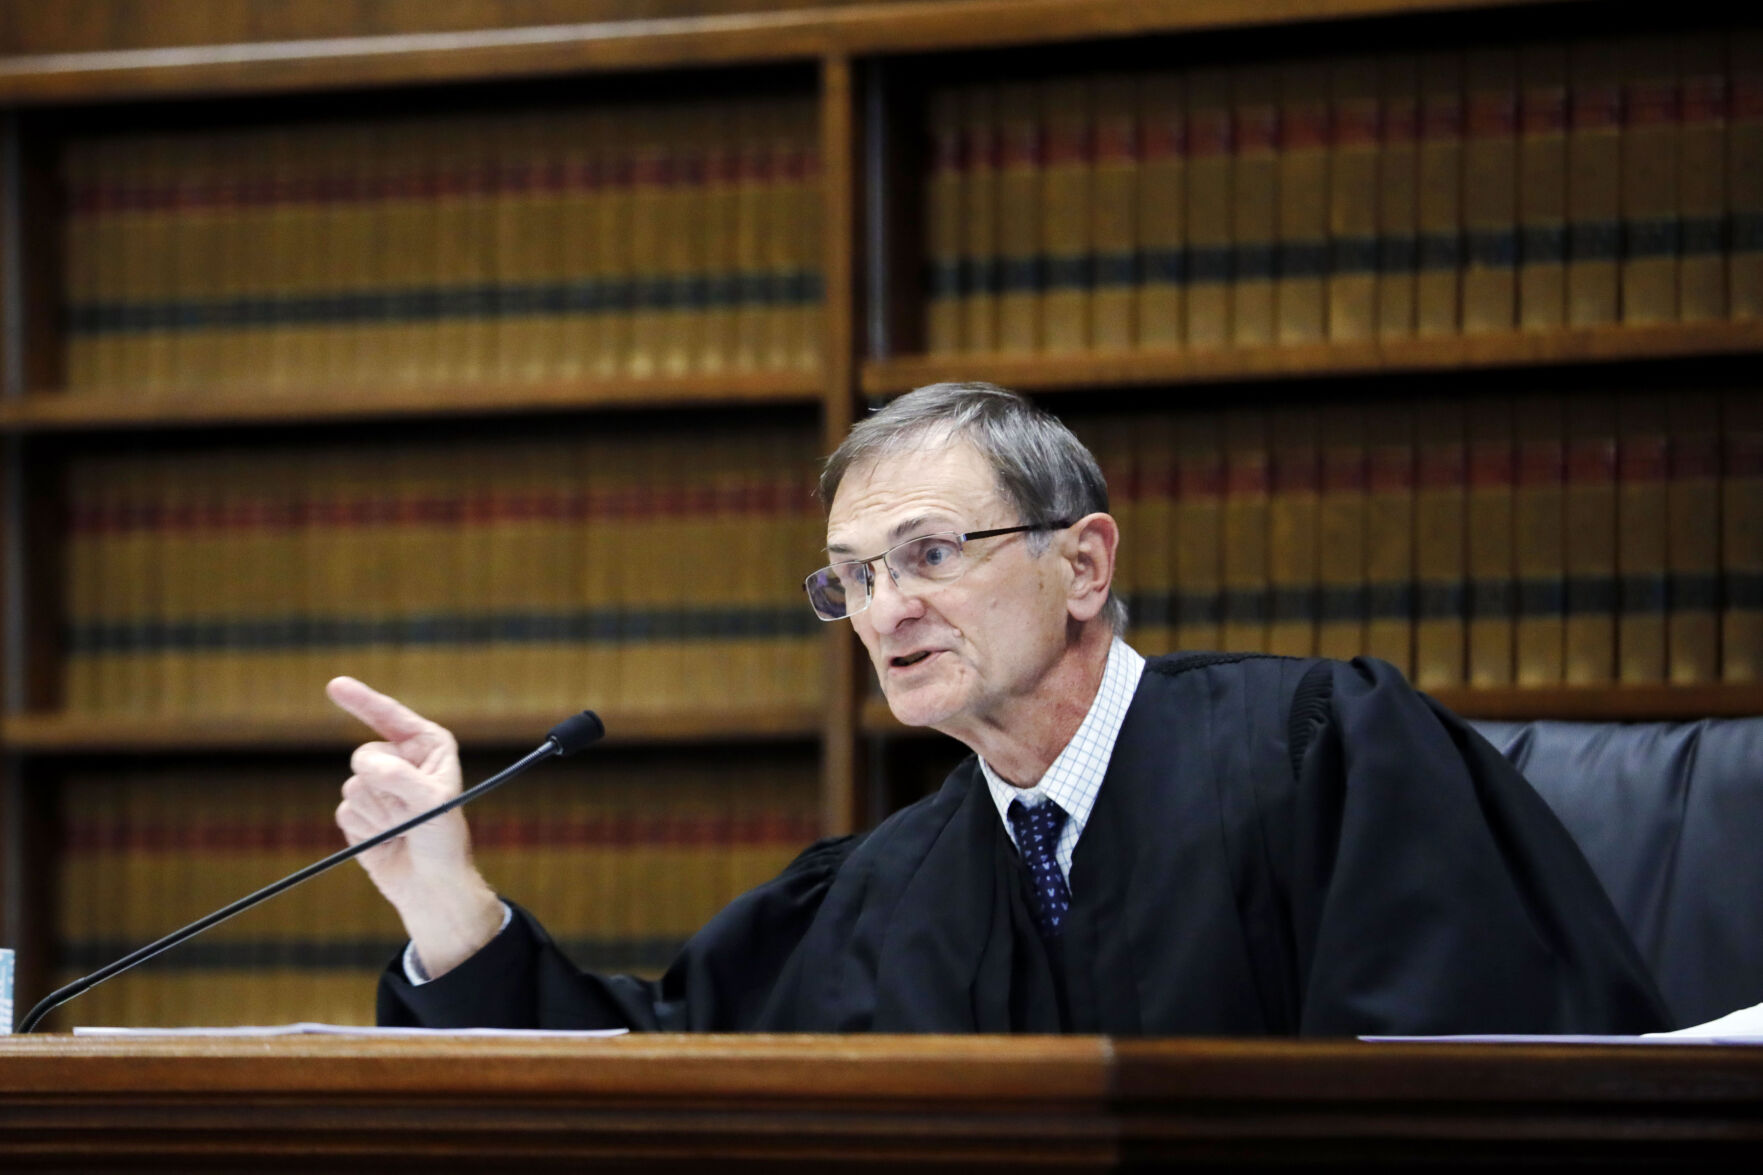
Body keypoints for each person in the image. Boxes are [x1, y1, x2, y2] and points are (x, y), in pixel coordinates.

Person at [332, 382, 1672, 1035]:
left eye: (929, 555)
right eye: (851, 579)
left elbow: (1485, 1073)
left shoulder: (1323, 750)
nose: (883, 610)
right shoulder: (880, 886)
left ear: (1082, 563)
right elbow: (665, 1086)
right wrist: (447, 905)